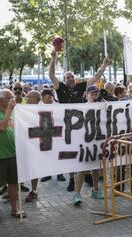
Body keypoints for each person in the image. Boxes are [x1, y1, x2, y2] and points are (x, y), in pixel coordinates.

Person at [49, 49, 110, 192]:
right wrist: (53, 59)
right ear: (64, 80)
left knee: (83, 151)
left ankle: (86, 175)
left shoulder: (81, 86)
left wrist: (104, 65)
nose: (71, 79)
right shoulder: (60, 88)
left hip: (81, 125)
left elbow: (96, 78)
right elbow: (51, 75)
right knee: (70, 153)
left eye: (72, 77)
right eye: (68, 77)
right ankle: (71, 179)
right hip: (67, 126)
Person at [0, 89, 26, 223]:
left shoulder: (14, 112)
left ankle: (14, 209)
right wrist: (9, 110)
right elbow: (2, 127)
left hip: (13, 153)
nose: (13, 99)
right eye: (10, 97)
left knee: (13, 183)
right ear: (1, 100)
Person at [72, 86, 105, 205]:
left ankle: (95, 189)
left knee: (96, 167)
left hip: (97, 140)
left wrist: (102, 101)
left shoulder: (101, 105)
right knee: (82, 169)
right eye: (92, 93)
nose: (94, 95)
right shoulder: (82, 106)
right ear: (86, 94)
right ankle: (77, 194)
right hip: (85, 141)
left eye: (96, 93)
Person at [38, 89, 66, 183]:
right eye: (47, 97)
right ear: (42, 98)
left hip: (56, 132)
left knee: (58, 154)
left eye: (50, 97)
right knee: (46, 154)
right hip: (45, 134)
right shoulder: (39, 106)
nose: (49, 99)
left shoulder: (57, 105)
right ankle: (47, 174)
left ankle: (60, 173)